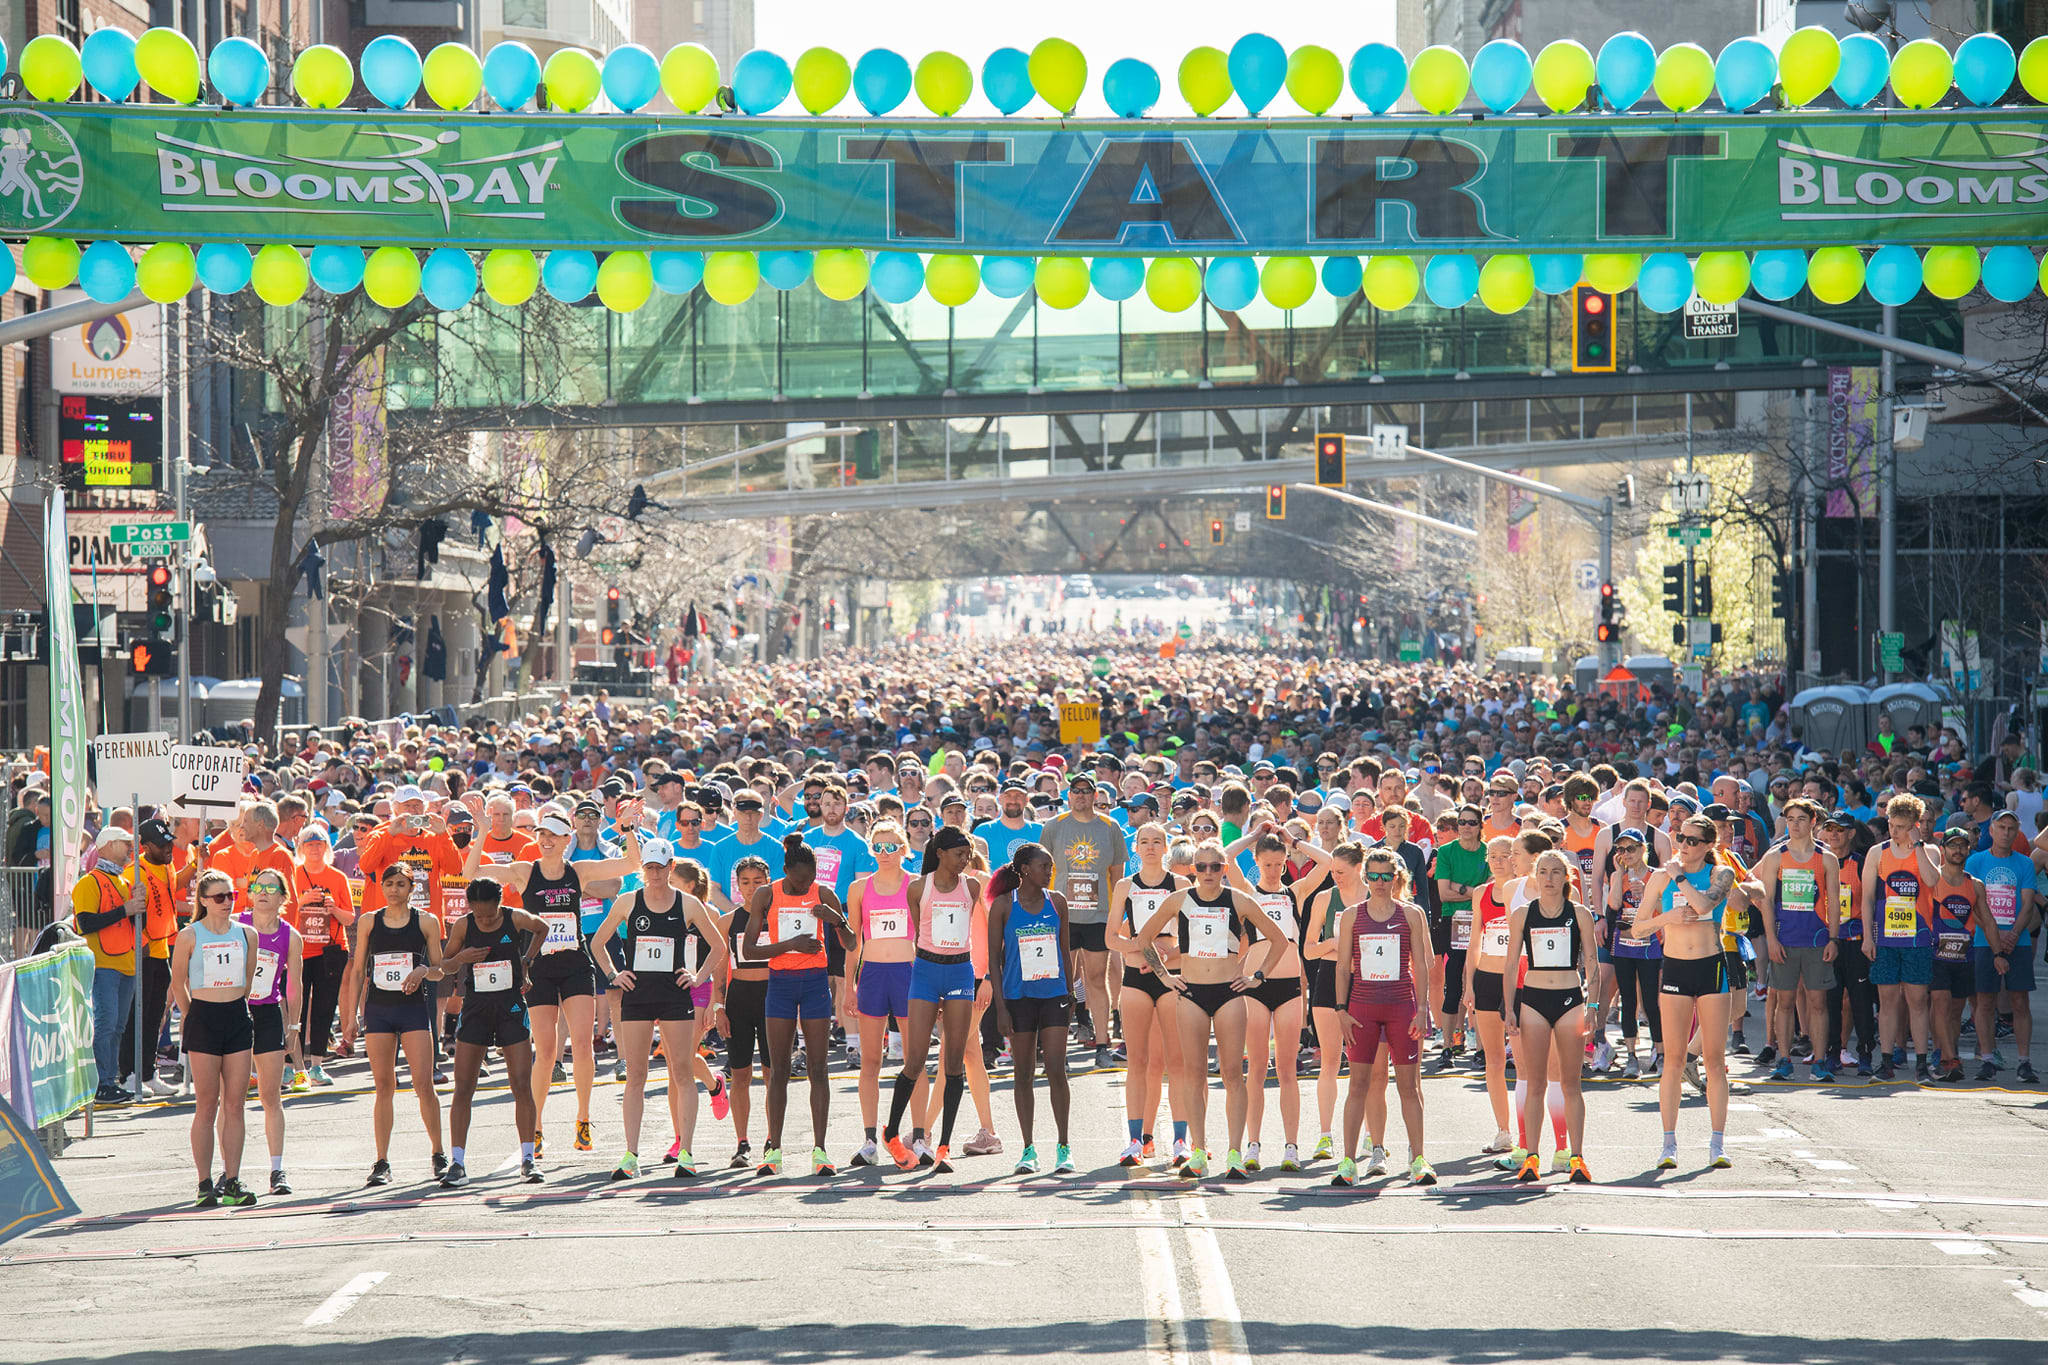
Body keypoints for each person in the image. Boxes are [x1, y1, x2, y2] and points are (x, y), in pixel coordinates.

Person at [463, 808, 640, 1159]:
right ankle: (537, 1125)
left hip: (575, 965)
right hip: (538, 969)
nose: (544, 840)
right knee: (544, 1052)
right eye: (541, 834)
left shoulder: (581, 871)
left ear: (565, 840)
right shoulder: (523, 872)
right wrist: (482, 831)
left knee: (583, 1045)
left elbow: (632, 863)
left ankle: (583, 1119)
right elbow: (471, 872)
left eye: (553, 835)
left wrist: (629, 828)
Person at [1134, 839, 1287, 1181]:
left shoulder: (1239, 900)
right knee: (1194, 1074)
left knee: (1233, 1074)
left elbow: (1279, 939)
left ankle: (1234, 1152)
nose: (1207, 873)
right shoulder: (1179, 899)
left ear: (1224, 869)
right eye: (1200, 867)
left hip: (1230, 992)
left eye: (1214, 867)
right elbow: (1143, 939)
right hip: (1189, 993)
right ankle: (1199, 1150)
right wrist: (1164, 976)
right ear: (1193, 870)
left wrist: (1257, 977)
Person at [592, 839, 727, 1179]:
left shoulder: (688, 903)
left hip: (674, 994)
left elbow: (718, 946)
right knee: (636, 1075)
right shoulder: (628, 901)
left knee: (681, 1071)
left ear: (670, 867)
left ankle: (687, 1152)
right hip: (638, 995)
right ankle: (631, 1155)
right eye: (649, 868)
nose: (654, 873)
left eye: (659, 867)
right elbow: (596, 941)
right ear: (644, 870)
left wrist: (698, 978)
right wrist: (613, 974)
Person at [742, 834, 855, 1176]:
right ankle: (773, 1150)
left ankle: (820, 1150)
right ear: (787, 870)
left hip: (814, 984)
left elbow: (850, 942)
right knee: (778, 1071)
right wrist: (790, 944)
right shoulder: (767, 894)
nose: (806, 882)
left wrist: (836, 919)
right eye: (800, 878)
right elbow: (749, 951)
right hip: (780, 984)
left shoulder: (822, 892)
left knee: (818, 1070)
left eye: (810, 877)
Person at [1222, 822, 1331, 1172]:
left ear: (1285, 862)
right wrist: (1254, 836)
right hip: (1254, 989)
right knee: (1255, 1068)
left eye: (1278, 863)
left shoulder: (1294, 893)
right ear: (1257, 862)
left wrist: (1294, 839)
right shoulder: (1248, 893)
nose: (1272, 869)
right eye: (1266, 863)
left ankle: (1291, 1146)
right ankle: (1253, 1144)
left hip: (1288, 990)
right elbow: (1225, 858)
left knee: (1287, 1070)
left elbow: (1327, 863)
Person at [1634, 815, 1740, 1171]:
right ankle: (1668, 1143)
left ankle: (1717, 1143)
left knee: (1714, 1060)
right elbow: (1637, 927)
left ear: (1709, 844)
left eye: (1694, 841)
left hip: (1711, 966)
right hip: (1676, 968)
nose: (1684, 845)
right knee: (1674, 1060)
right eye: (1681, 837)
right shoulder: (1661, 876)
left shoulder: (1719, 874)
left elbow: (1706, 906)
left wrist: (1680, 875)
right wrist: (1668, 919)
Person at [1329, 844, 1435, 1186]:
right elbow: (1343, 967)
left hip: (1401, 1006)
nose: (1378, 882)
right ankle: (1347, 1162)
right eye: (1372, 876)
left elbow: (1421, 964)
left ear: (1396, 879)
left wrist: (1422, 1009)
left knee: (1409, 1086)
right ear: (1366, 877)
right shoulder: (1351, 915)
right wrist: (1341, 1010)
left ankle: (1418, 1158)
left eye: (1385, 876)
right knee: (1358, 1085)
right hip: (1362, 1008)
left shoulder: (1410, 914)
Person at [881, 826, 987, 1173]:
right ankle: (892, 1133)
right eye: (959, 854)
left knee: (954, 1063)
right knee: (914, 1062)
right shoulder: (917, 888)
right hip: (926, 972)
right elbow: (919, 932)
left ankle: (943, 1146)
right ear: (940, 853)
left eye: (968, 855)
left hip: (960, 973)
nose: (965, 861)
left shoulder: (971, 886)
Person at [340, 862, 449, 1185]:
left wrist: (423, 971)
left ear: (411, 888)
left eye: (401, 884)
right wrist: (349, 1017)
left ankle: (438, 1152)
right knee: (383, 1086)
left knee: (423, 1084)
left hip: (413, 1009)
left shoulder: (427, 921)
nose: (394, 890)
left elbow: (441, 969)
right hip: (379, 1010)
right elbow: (358, 970)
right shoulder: (369, 921)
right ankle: (382, 1161)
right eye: (389, 884)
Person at [437, 876, 548, 1187]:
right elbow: (444, 965)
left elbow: (542, 928)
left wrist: (526, 962)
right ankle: (457, 1162)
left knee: (521, 1085)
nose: (485, 918)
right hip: (475, 1009)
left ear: (500, 903)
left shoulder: (515, 918)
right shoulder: (463, 925)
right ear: (471, 906)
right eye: (480, 913)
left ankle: (528, 1159)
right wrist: (460, 959)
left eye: (490, 913)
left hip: (511, 1007)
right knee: (463, 1088)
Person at [1501, 849, 1596, 1183]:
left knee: (1571, 1083)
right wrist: (1509, 1007)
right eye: (1544, 872)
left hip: (1570, 998)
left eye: (1557, 872)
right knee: (1535, 1082)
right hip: (1534, 999)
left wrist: (1594, 1006)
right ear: (1535, 875)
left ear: (1565, 877)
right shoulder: (1523, 914)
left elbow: (1593, 964)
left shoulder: (1579, 913)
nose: (1550, 879)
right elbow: (1511, 962)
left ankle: (1577, 1157)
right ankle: (1531, 1156)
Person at [172, 869, 262, 1206]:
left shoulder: (247, 933)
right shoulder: (189, 935)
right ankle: (204, 1183)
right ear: (204, 901)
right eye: (219, 897)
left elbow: (248, 976)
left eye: (231, 896)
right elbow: (177, 980)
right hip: (204, 1019)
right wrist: (189, 1013)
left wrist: (237, 1000)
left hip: (237, 1016)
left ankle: (233, 1181)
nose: (227, 903)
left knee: (236, 1104)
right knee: (207, 1104)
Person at [987, 842, 1075, 1174]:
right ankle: (1028, 1149)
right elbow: (994, 960)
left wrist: (1071, 994)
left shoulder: (1058, 902)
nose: (1050, 872)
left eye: (1051, 867)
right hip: (1018, 997)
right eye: (1045, 867)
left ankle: (1064, 1146)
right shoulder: (1003, 906)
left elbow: (1065, 951)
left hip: (1053, 994)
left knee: (1056, 1068)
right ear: (1026, 869)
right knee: (1022, 1073)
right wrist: (1000, 1007)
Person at [845, 820, 924, 1167]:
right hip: (873, 976)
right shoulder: (859, 888)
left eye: (892, 846)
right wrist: (849, 985)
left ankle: (919, 1136)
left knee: (914, 1060)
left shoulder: (916, 886)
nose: (885, 853)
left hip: (908, 974)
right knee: (870, 1061)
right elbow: (853, 942)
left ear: (905, 849)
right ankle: (869, 1140)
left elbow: (927, 937)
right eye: (879, 846)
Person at [1106, 823, 1185, 1166]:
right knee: (1137, 1062)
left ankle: (1181, 1140)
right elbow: (1111, 938)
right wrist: (1140, 947)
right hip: (1136, 979)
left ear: (1166, 847)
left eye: (1157, 842)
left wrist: (1166, 956)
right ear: (1135, 847)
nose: (1151, 847)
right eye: (1144, 842)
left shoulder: (1180, 885)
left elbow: (1192, 940)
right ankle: (1136, 1140)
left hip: (1172, 980)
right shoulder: (1126, 886)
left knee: (1174, 1063)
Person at [1041, 778, 1130, 1068]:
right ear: (1068, 795)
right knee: (1062, 982)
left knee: (1094, 979)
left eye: (1086, 791)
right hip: (1061, 915)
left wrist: (1117, 915)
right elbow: (1041, 871)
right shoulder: (1054, 826)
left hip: (1097, 916)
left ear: (1095, 795)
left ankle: (1102, 1045)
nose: (1081, 795)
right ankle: (1058, 1049)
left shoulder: (1109, 827)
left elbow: (1119, 875)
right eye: (1076, 791)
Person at [1752, 798, 1840, 1082]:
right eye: (1790, 819)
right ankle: (1784, 1059)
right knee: (1785, 1002)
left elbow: (1835, 903)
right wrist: (1771, 940)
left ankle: (1820, 1061)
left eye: (1801, 818)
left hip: (1816, 939)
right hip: (1785, 939)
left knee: (1817, 1003)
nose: (1795, 824)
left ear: (1813, 821)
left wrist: (1834, 939)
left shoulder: (1827, 858)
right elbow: (1765, 901)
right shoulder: (1775, 856)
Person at [1860, 794, 1941, 1082]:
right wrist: (1868, 937)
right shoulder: (1877, 852)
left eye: (1901, 826)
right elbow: (1867, 898)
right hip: (1886, 938)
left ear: (1915, 826)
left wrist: (1917, 844)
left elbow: (1932, 881)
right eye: (1891, 825)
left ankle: (1921, 1064)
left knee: (1918, 1000)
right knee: (1887, 1000)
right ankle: (1886, 1062)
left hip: (1917, 938)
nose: (1894, 831)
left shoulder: (1929, 851)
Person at [236, 869, 304, 1195]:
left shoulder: (290, 936)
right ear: (251, 893)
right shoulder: (235, 924)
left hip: (266, 1012)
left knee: (270, 1097)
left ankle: (277, 1170)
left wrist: (294, 1025)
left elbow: (294, 985)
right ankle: (228, 1173)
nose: (263, 892)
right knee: (231, 1098)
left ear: (282, 897)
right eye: (258, 887)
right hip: (232, 1010)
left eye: (270, 888)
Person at [73, 825, 144, 1105]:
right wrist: (125, 910)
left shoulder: (124, 882)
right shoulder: (89, 882)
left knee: (117, 1026)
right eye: (124, 843)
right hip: (103, 963)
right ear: (108, 845)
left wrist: (140, 906)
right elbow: (85, 923)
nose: (130, 848)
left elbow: (138, 924)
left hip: (125, 963)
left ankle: (109, 1080)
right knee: (106, 1024)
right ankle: (102, 1083)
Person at [1967, 810, 2037, 1083]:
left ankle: (2024, 1061)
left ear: (2017, 832)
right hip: (1984, 942)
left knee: (2020, 1001)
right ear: (1991, 831)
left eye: (2011, 828)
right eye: (2001, 827)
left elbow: (2028, 903)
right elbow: (1972, 906)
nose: (2006, 833)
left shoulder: (2025, 864)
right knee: (1985, 1001)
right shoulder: (1976, 862)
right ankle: (1987, 1058)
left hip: (2016, 942)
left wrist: (2014, 934)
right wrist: (1995, 937)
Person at [1462, 836, 1521, 1154]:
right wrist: (1469, 984)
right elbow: (1474, 941)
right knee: (1494, 1060)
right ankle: (1503, 1130)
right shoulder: (1482, 893)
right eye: (1493, 856)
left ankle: (1527, 1132)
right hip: (1486, 978)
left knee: (1523, 1062)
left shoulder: (1524, 889)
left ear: (1515, 858)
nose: (1499, 861)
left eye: (1505, 856)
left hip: (1518, 980)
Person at [716, 855, 775, 1167]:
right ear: (736, 886)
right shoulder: (728, 921)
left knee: (771, 1074)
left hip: (772, 999)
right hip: (739, 999)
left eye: (758, 882)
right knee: (740, 1075)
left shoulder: (777, 918)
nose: (752, 888)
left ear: (768, 882)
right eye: (745, 882)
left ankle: (772, 1138)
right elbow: (718, 968)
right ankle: (742, 1142)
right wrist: (718, 1007)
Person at [289, 822, 356, 1087]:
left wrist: (333, 908)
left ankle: (316, 1064)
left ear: (327, 847)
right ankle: (294, 1066)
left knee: (325, 1007)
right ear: (301, 848)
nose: (315, 849)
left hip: (331, 950)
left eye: (320, 844)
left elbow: (350, 918)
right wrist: (303, 901)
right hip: (299, 952)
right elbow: (281, 915)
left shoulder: (338, 877)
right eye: (310, 844)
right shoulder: (293, 875)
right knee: (296, 1008)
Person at [1927, 826, 1991, 1084]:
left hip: (1964, 956)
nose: (1957, 850)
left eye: (1961, 846)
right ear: (1943, 850)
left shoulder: (1975, 885)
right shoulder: (1932, 879)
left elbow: (1987, 919)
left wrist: (1998, 951)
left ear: (1968, 849)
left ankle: (1945, 1054)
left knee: (1955, 1011)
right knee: (1940, 1004)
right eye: (1952, 845)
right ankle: (1948, 1059)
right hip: (1935, 954)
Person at [1430, 804, 1489, 1068]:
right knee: (1452, 985)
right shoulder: (1445, 851)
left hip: (1483, 921)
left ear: (1480, 826)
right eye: (1462, 822)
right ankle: (1448, 1046)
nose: (1466, 827)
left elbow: (1490, 892)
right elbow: (1443, 893)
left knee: (1481, 985)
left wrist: (1460, 887)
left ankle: (1482, 1046)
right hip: (1453, 921)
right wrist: (1474, 890)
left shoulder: (1490, 853)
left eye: (1472, 822)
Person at [1604, 830, 1663, 1080]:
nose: (1626, 854)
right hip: (1625, 944)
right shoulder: (1619, 875)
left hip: (1650, 944)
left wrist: (1647, 896)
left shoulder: (1655, 876)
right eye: (1621, 850)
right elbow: (1615, 905)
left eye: (1631, 848)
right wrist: (1618, 875)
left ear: (1643, 849)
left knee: (1651, 1002)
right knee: (1628, 1000)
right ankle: (1631, 1056)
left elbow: (1664, 910)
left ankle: (1660, 1053)